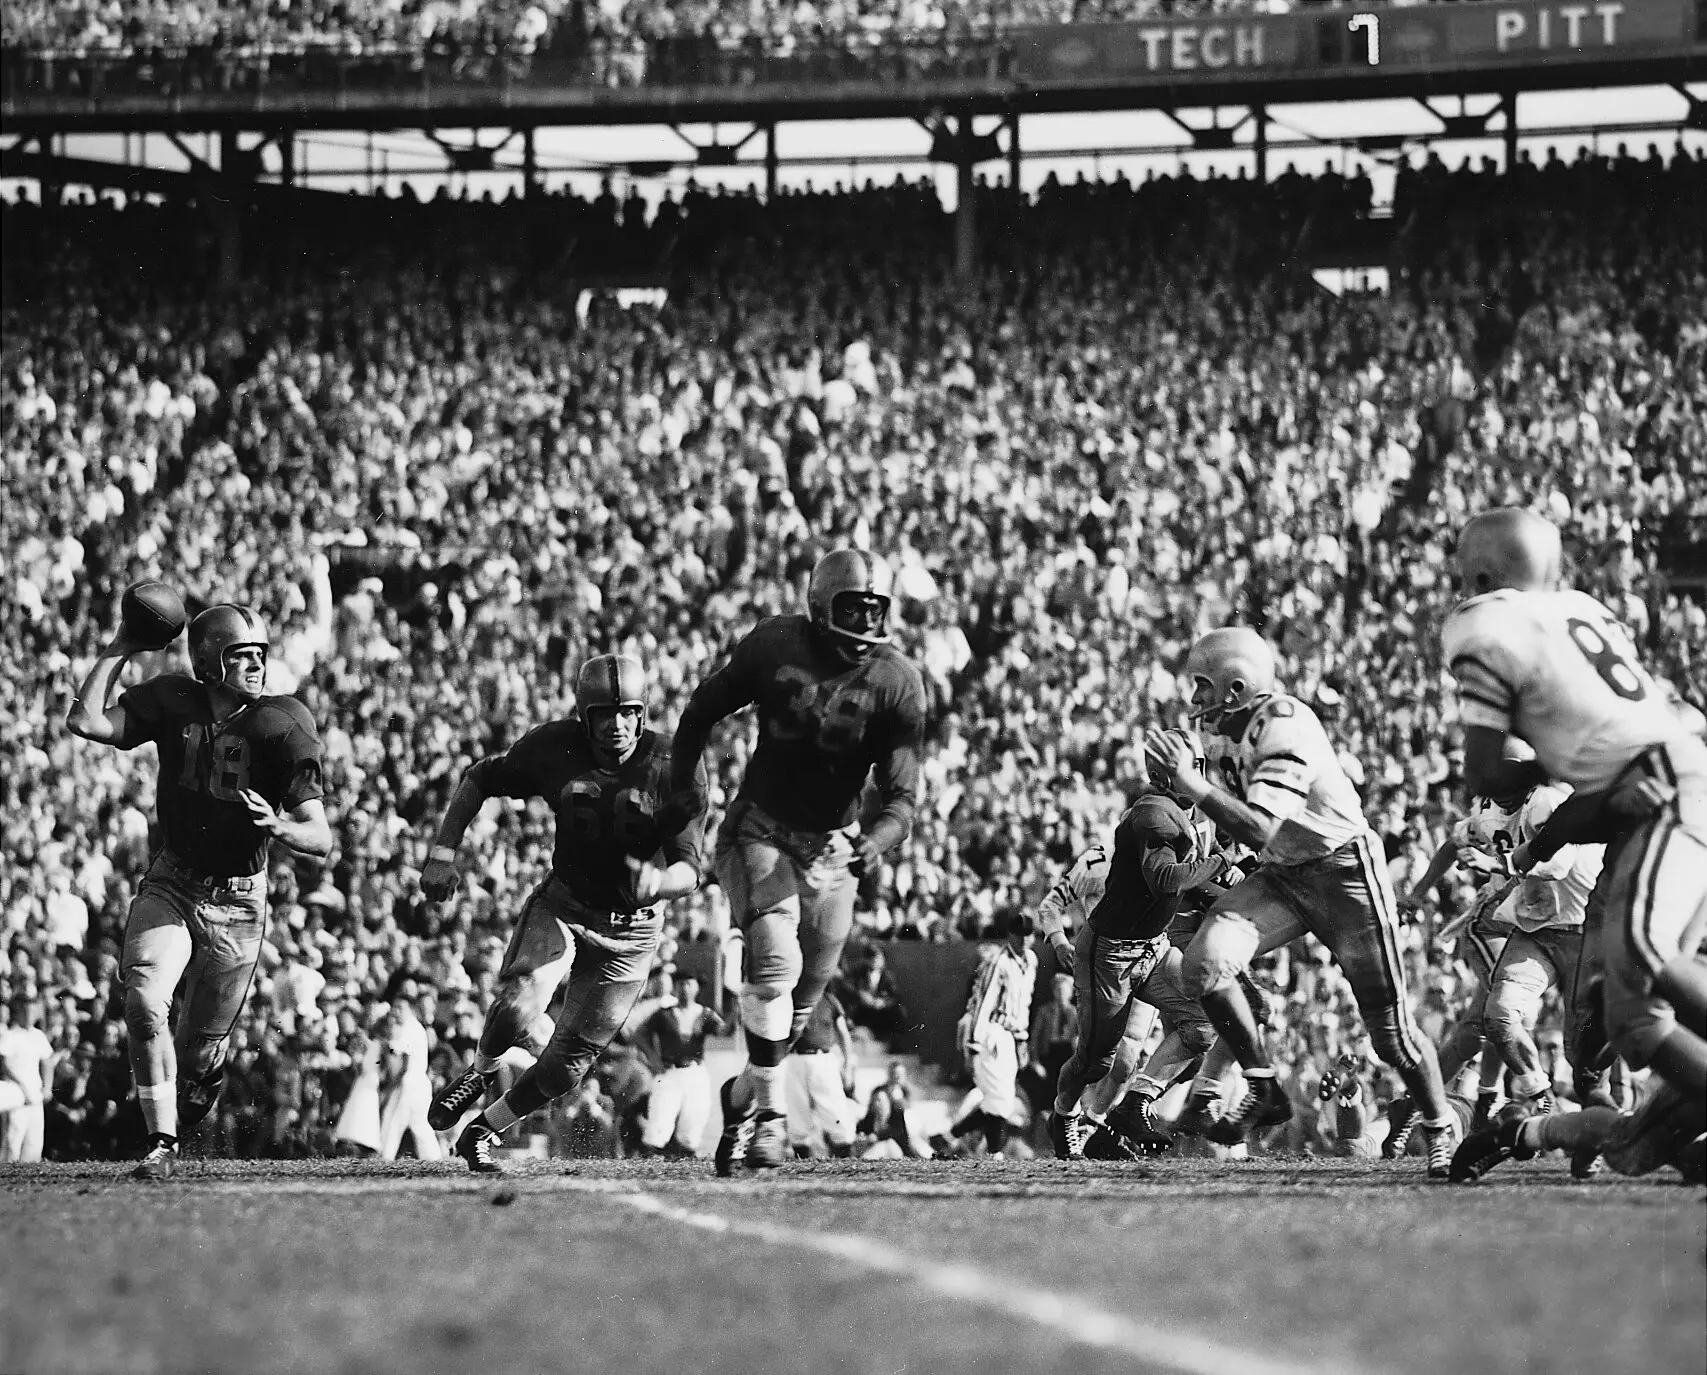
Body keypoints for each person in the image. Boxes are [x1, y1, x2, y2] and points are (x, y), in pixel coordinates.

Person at [1440, 507, 1707, 1180]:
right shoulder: (1581, 611)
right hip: (1667, 787)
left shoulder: (1485, 625)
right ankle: (1521, 1130)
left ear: (1476, 574)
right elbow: (1581, 805)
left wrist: (1536, 771)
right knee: (1634, 1041)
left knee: (1640, 971)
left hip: (1666, 794)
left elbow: (1485, 773)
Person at [1147, 627, 1458, 1177]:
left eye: (1201, 687)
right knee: (1205, 962)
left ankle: (1437, 1126)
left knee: (1391, 1037)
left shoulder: (1285, 724)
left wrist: (1192, 787)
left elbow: (1262, 825)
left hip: (1344, 875)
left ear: (1235, 688)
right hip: (1285, 875)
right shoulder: (1221, 735)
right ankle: (1264, 1087)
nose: (1193, 700)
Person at [667, 549, 927, 1175]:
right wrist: (686, 802)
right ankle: (772, 1122)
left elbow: (902, 798)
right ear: (819, 606)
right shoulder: (776, 643)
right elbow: (700, 712)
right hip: (761, 830)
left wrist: (877, 839)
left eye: (874, 607)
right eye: (852, 606)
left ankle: (743, 1100)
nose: (864, 619)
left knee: (795, 1018)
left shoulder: (898, 679)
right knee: (774, 967)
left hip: (834, 851)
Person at [66, 603, 331, 1180]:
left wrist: (285, 827)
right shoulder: (173, 699)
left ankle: (199, 1081)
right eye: (243, 655)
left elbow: (321, 835)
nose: (258, 666)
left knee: (198, 1055)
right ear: (210, 662)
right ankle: (162, 1143)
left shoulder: (281, 722)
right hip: (175, 880)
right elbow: (85, 722)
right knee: (142, 998)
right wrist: (120, 647)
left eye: (261, 654)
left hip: (239, 903)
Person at [419, 654, 709, 1174]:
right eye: (604, 715)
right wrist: (443, 853)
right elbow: (480, 778)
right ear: (584, 717)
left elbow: (691, 868)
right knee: (518, 1002)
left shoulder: (673, 761)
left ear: (642, 716)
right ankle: (482, 1070)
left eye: (627, 713)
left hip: (634, 932)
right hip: (566, 905)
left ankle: (483, 1131)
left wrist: (660, 883)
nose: (617, 726)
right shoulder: (554, 746)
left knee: (565, 1069)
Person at [1047, 741, 1230, 1161]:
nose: (1200, 775)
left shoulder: (1189, 812)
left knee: (1202, 1024)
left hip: (1154, 946)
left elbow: (1199, 878)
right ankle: (1062, 1115)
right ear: (1168, 773)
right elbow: (1166, 878)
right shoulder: (1152, 813)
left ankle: (1135, 1104)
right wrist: (1222, 863)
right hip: (1110, 956)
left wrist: (1238, 882)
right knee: (1096, 1062)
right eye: (1192, 767)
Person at [937, 909, 1039, 1159]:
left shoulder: (1032, 961)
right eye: (1019, 935)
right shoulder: (998, 963)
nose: (1024, 940)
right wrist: (973, 1047)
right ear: (1010, 936)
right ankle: (995, 1154)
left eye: (1028, 935)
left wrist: (1022, 1041)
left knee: (1000, 1099)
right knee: (1000, 1098)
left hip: (1012, 1035)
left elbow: (1024, 1004)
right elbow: (983, 1005)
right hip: (991, 1032)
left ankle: (951, 1136)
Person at [638, 975, 730, 1159]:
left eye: (689, 984)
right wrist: (652, 1057)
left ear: (696, 988)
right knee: (661, 1115)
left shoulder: (705, 1014)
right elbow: (640, 1033)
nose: (684, 989)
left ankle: (686, 1155)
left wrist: (734, 1012)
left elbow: (724, 1031)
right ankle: (651, 1155)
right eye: (680, 985)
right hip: (669, 1071)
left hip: (694, 1071)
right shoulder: (664, 1014)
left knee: (694, 1115)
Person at [783, 989, 859, 1159]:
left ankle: (845, 1157)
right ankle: (801, 1159)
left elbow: (843, 1034)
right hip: (794, 1058)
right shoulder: (791, 997)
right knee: (797, 1112)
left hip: (822, 1058)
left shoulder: (829, 1000)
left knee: (834, 1108)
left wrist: (847, 1065)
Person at [0, 995, 54, 1162]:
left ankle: (29, 1180)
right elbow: (4, 1064)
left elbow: (47, 1062)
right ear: (19, 1013)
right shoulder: (10, 1035)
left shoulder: (39, 1036)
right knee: (12, 1139)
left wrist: (47, 1087)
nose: (29, 1015)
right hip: (17, 1094)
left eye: (32, 1011)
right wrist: (23, 1087)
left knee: (34, 1142)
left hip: (36, 1094)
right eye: (26, 1011)